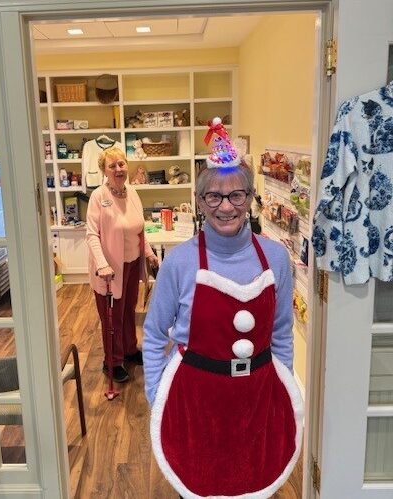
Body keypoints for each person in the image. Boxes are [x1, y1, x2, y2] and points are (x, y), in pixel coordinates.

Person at [143, 118, 303, 498]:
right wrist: (157, 396)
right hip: (195, 405)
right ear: (199, 202)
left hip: (257, 403)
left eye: (237, 195)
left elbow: (280, 333)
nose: (226, 206)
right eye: (213, 196)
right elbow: (152, 336)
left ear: (250, 198)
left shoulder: (276, 259)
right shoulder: (179, 263)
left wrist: (281, 393)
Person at [86, 147, 159, 383]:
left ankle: (129, 349)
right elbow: (91, 235)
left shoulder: (133, 193)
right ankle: (112, 361)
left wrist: (148, 254)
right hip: (109, 269)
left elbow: (139, 231)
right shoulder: (98, 196)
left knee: (128, 310)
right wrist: (102, 264)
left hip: (131, 263)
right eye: (112, 166)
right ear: (104, 171)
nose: (118, 169)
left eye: (121, 164)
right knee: (112, 317)